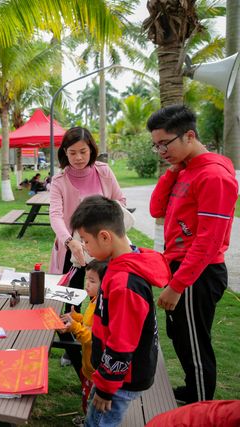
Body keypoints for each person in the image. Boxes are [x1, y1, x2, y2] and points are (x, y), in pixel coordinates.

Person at [147, 105, 238, 404]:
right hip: (180, 267)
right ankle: (192, 391)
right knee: (182, 340)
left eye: (165, 143)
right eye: (156, 145)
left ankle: (200, 405)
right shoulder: (187, 170)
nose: (161, 151)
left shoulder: (214, 176)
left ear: (189, 135)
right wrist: (172, 172)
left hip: (198, 272)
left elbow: (209, 242)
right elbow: (156, 210)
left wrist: (177, 285)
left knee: (195, 343)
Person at [70, 195, 171, 427]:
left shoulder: (126, 284)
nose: (84, 246)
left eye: (85, 240)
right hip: (113, 375)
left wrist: (105, 389)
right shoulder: (121, 262)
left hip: (120, 380)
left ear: (105, 236)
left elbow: (122, 343)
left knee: (100, 423)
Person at [48, 126, 126, 372]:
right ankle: (71, 345)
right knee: (71, 296)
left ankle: (103, 341)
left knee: (104, 293)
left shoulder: (103, 172)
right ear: (64, 153)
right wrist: (70, 241)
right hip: (72, 247)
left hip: (103, 245)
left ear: (91, 149)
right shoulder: (59, 180)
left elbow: (119, 202)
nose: (79, 157)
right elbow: (56, 215)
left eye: (83, 151)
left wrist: (105, 232)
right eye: (72, 153)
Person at [58, 260, 107, 416]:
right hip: (88, 367)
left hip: (94, 370)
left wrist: (74, 326)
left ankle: (89, 421)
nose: (87, 284)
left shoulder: (101, 308)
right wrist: (77, 317)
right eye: (86, 279)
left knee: (93, 405)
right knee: (86, 397)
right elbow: (88, 322)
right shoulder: (94, 301)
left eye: (92, 281)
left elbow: (92, 337)